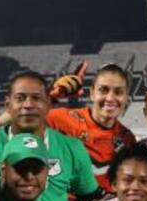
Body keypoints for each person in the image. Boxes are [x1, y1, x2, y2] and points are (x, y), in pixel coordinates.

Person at [0, 71, 99, 201]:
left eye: (36, 98)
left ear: (49, 103)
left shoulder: (71, 147)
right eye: (20, 98)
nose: (28, 105)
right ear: (8, 103)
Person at [47, 62, 138, 194]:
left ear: (125, 98)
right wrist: (51, 97)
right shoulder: (61, 120)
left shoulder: (127, 139)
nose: (110, 98)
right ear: (92, 93)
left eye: (118, 92)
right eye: (103, 90)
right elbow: (13, 122)